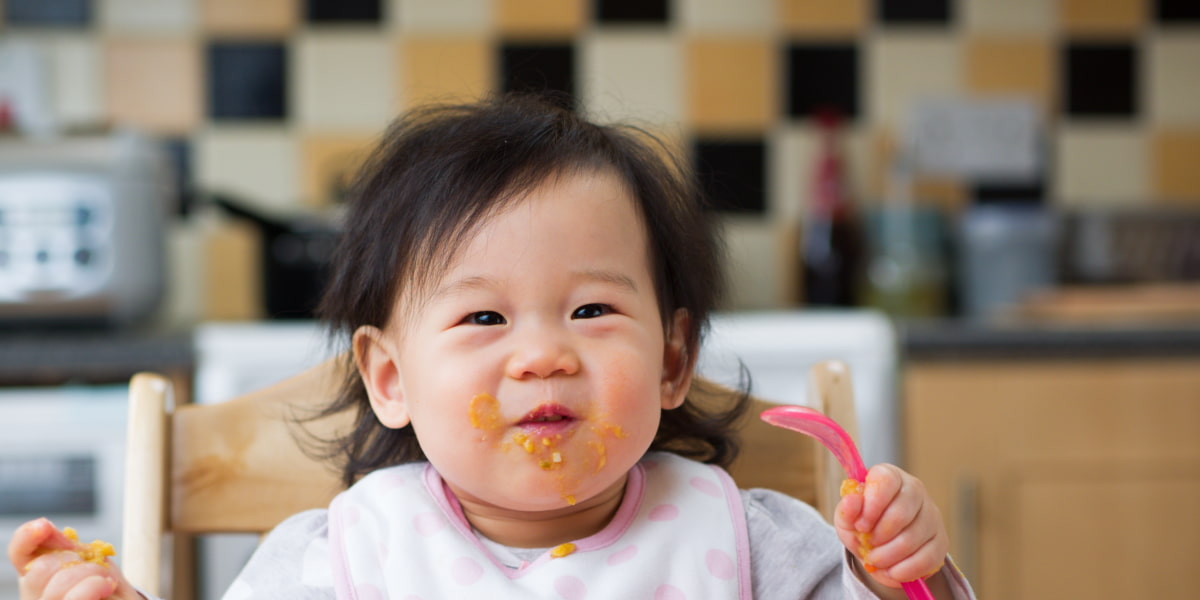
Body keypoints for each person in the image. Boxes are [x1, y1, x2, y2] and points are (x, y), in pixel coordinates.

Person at [9, 93, 974, 600]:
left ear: (673, 361)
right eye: (483, 319)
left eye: (591, 310)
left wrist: (901, 574)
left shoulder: (756, 545)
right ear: (390, 378)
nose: (543, 356)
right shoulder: (337, 560)